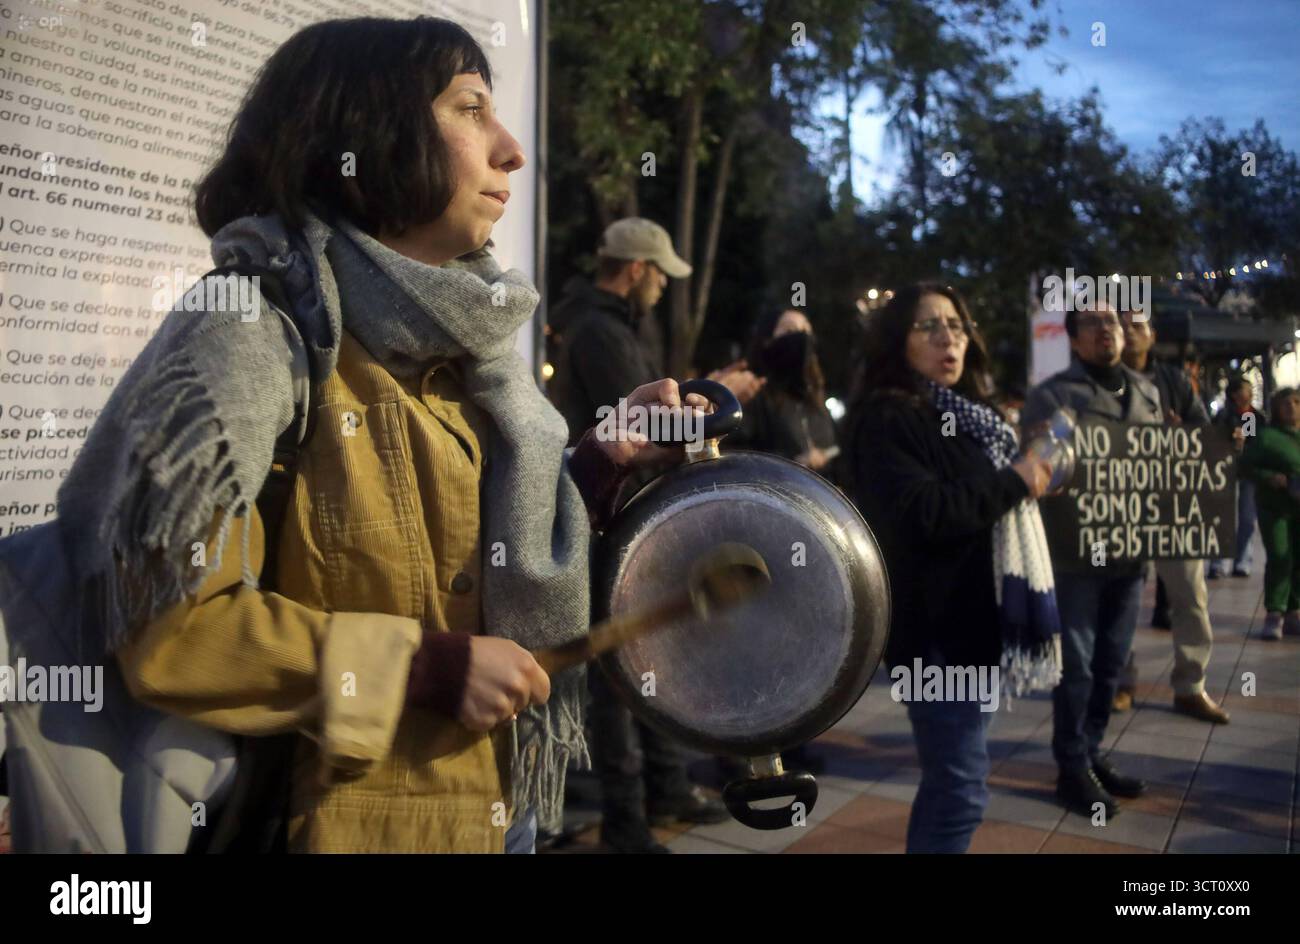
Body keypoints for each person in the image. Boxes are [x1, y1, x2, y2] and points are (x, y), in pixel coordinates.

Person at [59, 17, 707, 854]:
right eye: (471, 109)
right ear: (366, 134)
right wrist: (418, 666)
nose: (509, 149)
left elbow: (467, 559)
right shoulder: (253, 336)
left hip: (497, 808)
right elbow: (172, 632)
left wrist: (595, 458)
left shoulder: (461, 346)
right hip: (344, 826)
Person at [844, 283, 1058, 853]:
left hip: (974, 619)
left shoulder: (969, 414)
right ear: (897, 340)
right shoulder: (888, 417)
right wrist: (1017, 480)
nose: (948, 337)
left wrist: (1030, 475)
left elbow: (980, 497)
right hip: (936, 632)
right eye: (928, 326)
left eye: (957, 325)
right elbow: (925, 514)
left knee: (954, 783)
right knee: (961, 791)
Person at [548, 217, 732, 852]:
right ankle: (626, 820)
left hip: (611, 514)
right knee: (618, 673)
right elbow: (636, 433)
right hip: (600, 519)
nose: (662, 287)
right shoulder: (600, 332)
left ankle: (665, 789)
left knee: (641, 660)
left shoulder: (609, 325)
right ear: (635, 271)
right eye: (659, 274)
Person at [1023, 301, 1163, 819]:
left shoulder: (1147, 391)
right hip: (1076, 552)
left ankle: (1094, 751)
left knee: (1112, 663)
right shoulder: (1053, 394)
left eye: (1115, 322)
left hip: (1131, 552)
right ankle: (1071, 768)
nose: (1109, 330)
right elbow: (1037, 468)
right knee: (1077, 667)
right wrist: (1054, 443)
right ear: (1075, 339)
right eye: (1094, 323)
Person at [1118, 312, 1229, 723]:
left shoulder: (1175, 381)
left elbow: (1205, 433)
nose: (1130, 332)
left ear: (1152, 335)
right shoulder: (1099, 380)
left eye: (1139, 326)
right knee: (1122, 599)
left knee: (1191, 597)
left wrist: (1182, 432)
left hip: (1173, 506)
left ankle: (1191, 686)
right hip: (1122, 506)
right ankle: (1120, 682)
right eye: (1123, 325)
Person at [731, 309, 838, 475]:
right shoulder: (752, 396)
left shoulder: (816, 399)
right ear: (766, 340)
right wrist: (792, 462)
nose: (801, 337)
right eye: (789, 330)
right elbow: (739, 457)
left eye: (805, 330)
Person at [1238, 388, 1300, 640]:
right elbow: (1245, 466)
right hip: (1274, 508)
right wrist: (1269, 478)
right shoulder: (1265, 436)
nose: (1292, 408)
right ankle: (1275, 612)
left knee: (1297, 559)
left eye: (1297, 402)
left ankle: (1294, 612)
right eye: (1286, 404)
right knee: (1279, 556)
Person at [1209, 378, 1264, 578]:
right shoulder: (1224, 415)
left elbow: (1255, 445)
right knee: (1223, 518)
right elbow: (1213, 439)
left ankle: (1242, 561)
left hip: (1247, 474)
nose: (1248, 395)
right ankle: (1217, 563)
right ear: (1234, 394)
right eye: (1244, 391)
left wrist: (1243, 446)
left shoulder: (1254, 417)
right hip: (1226, 473)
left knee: (1247, 519)